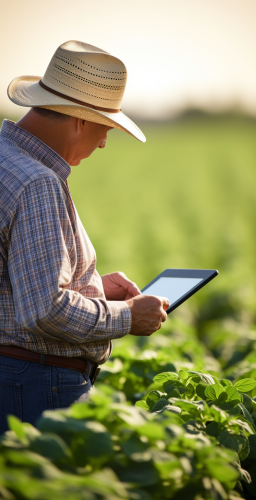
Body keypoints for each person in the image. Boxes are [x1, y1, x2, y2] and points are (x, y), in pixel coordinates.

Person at [0, 40, 169, 434]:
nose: (105, 142)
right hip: (36, 385)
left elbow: (15, 284)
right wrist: (128, 316)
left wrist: (91, 288)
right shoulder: (37, 182)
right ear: (80, 121)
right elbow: (45, 310)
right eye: (105, 127)